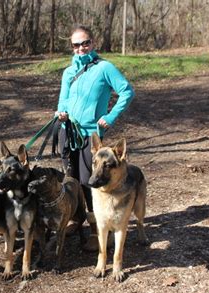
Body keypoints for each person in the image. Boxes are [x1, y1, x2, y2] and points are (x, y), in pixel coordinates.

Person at [56, 25, 135, 251]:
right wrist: (60, 113)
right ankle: (75, 219)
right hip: (66, 132)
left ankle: (96, 231)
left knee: (90, 181)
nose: (81, 48)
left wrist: (109, 117)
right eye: (76, 45)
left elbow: (127, 91)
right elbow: (63, 100)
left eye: (85, 43)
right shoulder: (68, 72)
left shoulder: (105, 68)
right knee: (70, 180)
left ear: (93, 43)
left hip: (90, 136)